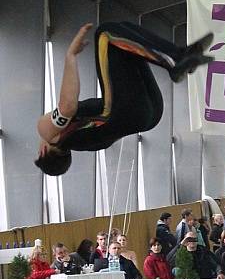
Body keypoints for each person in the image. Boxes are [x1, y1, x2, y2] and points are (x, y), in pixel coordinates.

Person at [35, 22, 212, 176]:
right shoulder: (49, 133)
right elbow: (67, 106)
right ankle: (175, 59)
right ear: (43, 151)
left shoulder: (86, 143)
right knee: (105, 34)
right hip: (125, 111)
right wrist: (70, 56)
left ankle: (180, 55)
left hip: (150, 116)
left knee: (125, 39)